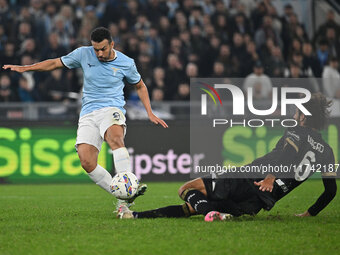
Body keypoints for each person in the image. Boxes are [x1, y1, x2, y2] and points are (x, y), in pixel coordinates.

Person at [3, 27, 168, 207]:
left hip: (111, 108)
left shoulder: (126, 63)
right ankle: (125, 196)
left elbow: (140, 86)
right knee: (87, 162)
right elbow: (54, 63)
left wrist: (149, 112)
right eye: (95, 49)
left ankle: (126, 195)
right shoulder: (83, 54)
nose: (98, 53)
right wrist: (26, 68)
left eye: (103, 49)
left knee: (115, 139)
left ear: (112, 44)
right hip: (88, 113)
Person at [118, 93, 337, 221]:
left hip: (252, 178)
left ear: (304, 117)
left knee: (185, 189)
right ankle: (136, 215)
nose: (293, 114)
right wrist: (309, 214)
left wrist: (270, 176)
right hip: (260, 202)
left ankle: (210, 213)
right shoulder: (327, 151)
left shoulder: (295, 131)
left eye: (296, 111)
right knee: (193, 207)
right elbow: (331, 191)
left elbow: (288, 155)